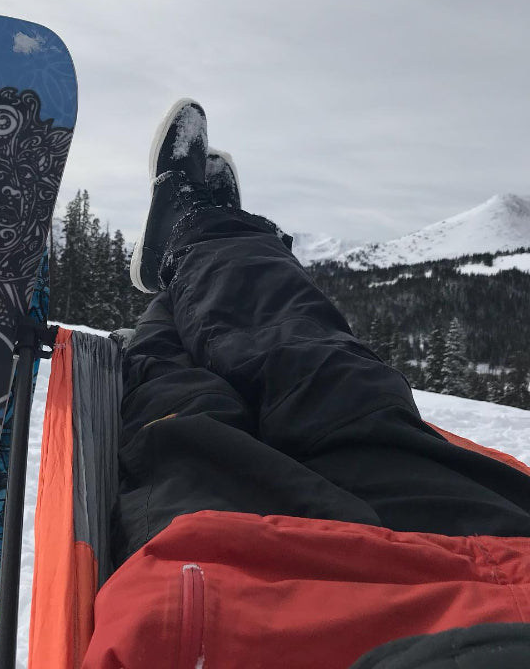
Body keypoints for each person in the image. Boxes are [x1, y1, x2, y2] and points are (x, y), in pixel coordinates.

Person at [81, 99, 530, 668]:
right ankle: (190, 245)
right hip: (500, 558)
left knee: (186, 409)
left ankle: (195, 238)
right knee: (336, 383)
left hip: (235, 602)